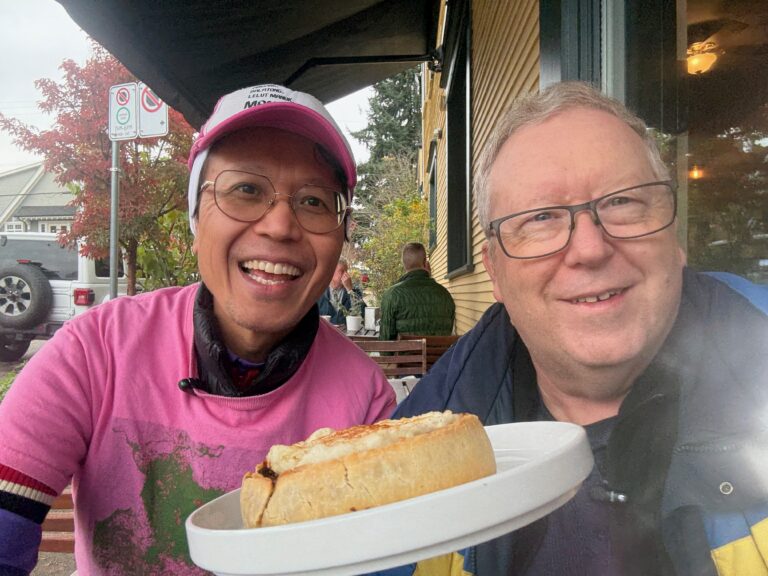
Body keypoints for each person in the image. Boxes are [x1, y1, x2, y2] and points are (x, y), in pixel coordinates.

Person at [0, 83, 396, 575]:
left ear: (341, 236)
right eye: (246, 189)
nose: (279, 226)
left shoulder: (366, 402)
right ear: (195, 218)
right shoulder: (96, 349)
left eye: (315, 201)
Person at [390, 82, 768, 575]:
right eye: (541, 217)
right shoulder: (421, 441)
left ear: (674, 235)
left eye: (624, 203)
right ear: (495, 270)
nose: (590, 249)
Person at [378, 242, 455, 340]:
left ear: (404, 264)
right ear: (425, 263)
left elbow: (386, 342)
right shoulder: (445, 295)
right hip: (440, 355)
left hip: (404, 355)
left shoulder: (392, 295)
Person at [317, 257, 366, 324]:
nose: (346, 275)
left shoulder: (354, 290)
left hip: (348, 333)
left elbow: (363, 313)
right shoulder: (319, 292)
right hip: (325, 333)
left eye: (346, 271)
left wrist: (350, 290)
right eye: (342, 271)